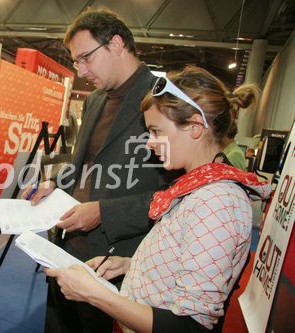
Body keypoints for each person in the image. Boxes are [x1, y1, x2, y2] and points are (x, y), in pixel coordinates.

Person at [44, 66, 271, 333]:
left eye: (156, 131)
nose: (150, 143)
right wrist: (131, 265)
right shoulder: (197, 187)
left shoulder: (216, 202)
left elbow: (190, 326)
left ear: (195, 127)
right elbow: (183, 257)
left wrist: (95, 294)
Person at [22, 7, 170, 333]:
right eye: (76, 61)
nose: (81, 70)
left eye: (86, 58)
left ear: (116, 44)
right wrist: (54, 184)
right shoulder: (94, 101)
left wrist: (104, 212)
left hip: (116, 259)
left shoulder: (163, 99)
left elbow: (173, 196)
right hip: (67, 247)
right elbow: (85, 166)